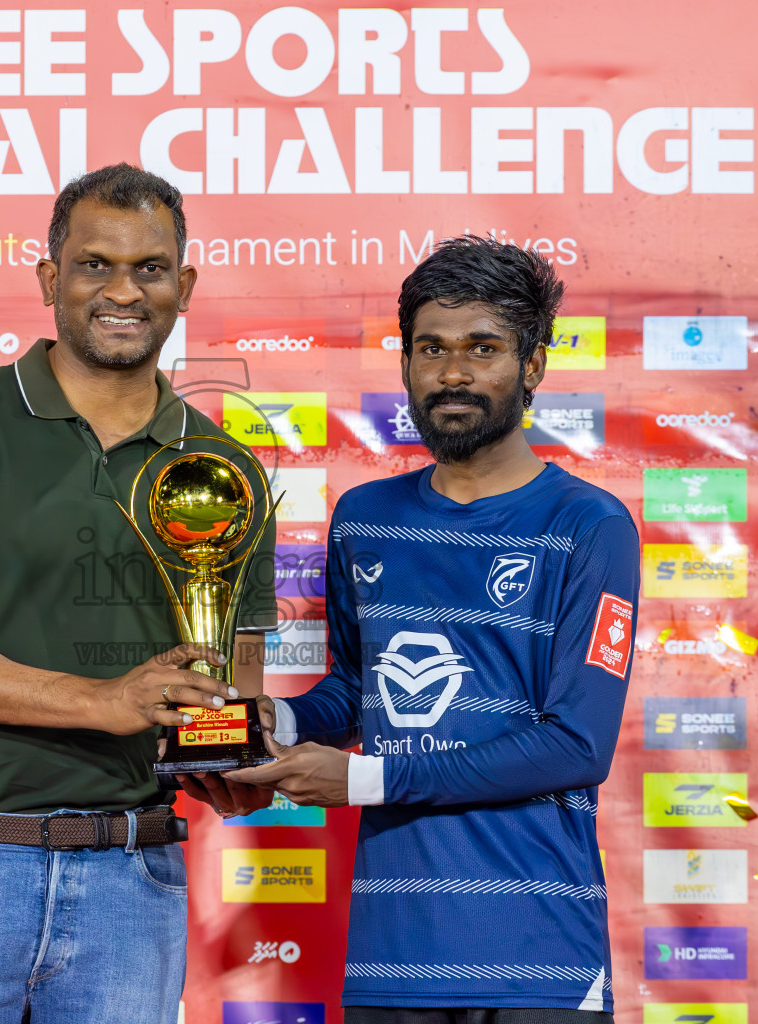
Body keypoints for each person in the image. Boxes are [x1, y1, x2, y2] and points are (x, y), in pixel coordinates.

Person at [0, 163, 276, 1024]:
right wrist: (105, 700)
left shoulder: (225, 465)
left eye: (150, 269)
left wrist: (229, 756)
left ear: (184, 284)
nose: (123, 291)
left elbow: (237, 674)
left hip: (134, 873)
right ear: (52, 279)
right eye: (96, 265)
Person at [228, 236, 639, 1022]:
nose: (452, 373)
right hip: (392, 957)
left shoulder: (591, 525)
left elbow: (578, 744)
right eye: (431, 348)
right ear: (407, 363)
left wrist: (362, 782)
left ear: (535, 365)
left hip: (539, 960)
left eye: (482, 348)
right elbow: (356, 694)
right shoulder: (366, 518)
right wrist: (260, 722)